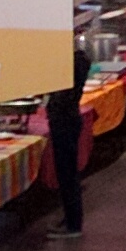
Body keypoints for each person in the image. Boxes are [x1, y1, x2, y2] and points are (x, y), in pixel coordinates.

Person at [44, 55, 87, 238]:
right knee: (68, 173)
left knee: (67, 174)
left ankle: (73, 225)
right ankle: (71, 218)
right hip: (68, 119)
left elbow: (62, 97)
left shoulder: (72, 63)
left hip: (64, 121)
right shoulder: (79, 60)